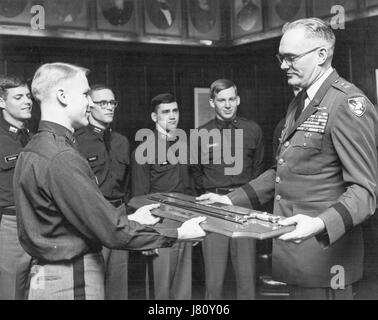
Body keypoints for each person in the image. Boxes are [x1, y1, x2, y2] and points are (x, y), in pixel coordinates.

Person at [198, 18, 378, 300]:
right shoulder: (300, 102)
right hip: (296, 258)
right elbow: (283, 171)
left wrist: (318, 224)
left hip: (326, 261)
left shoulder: (346, 103)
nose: (283, 66)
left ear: (321, 55)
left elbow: (365, 192)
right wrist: (230, 200)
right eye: (281, 58)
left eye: (291, 58)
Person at [13, 62, 206, 300]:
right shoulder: (62, 156)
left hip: (51, 274)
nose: (91, 103)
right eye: (85, 94)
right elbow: (111, 231)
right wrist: (178, 233)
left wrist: (132, 217)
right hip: (72, 280)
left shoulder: (35, 147)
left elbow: (68, 217)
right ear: (61, 96)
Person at [192, 79, 265, 300]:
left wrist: (247, 204)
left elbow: (260, 173)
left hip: (244, 209)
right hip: (213, 208)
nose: (227, 105)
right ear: (212, 102)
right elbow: (195, 174)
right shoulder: (200, 134)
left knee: (246, 277)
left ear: (238, 100)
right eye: (221, 100)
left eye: (231, 99)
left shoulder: (253, 130)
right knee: (214, 280)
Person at [130, 93, 194, 300]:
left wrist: (193, 221)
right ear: (154, 117)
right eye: (165, 112)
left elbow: (189, 187)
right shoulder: (143, 150)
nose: (172, 116)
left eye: (175, 111)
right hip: (160, 223)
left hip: (184, 220)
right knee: (161, 290)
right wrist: (145, 235)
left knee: (183, 288)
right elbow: (139, 197)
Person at [75, 84, 130, 300]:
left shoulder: (121, 141)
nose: (109, 107)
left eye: (112, 103)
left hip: (119, 214)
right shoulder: (77, 140)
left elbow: (127, 184)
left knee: (118, 284)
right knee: (92, 283)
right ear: (89, 106)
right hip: (92, 218)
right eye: (103, 103)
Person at [0, 75, 33, 300]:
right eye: (19, 97)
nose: (27, 101)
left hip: (37, 222)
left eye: (29, 96)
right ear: (2, 102)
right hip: (10, 223)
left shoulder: (31, 137)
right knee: (12, 291)